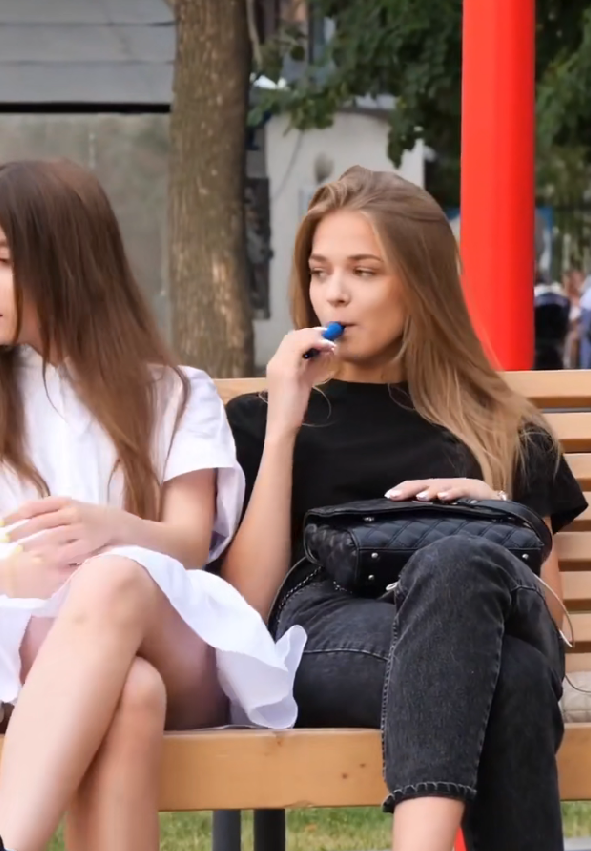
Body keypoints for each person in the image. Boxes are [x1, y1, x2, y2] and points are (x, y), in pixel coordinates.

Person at [0, 159, 305, 851]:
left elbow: (189, 541)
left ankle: (6, 843)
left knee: (112, 578)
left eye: (4, 260)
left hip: (179, 649)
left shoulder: (173, 392)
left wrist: (114, 530)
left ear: (71, 264)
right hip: (27, 658)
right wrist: (19, 577)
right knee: (129, 692)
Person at [218, 166, 587, 851]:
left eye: (364, 271)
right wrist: (284, 426)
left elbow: (549, 615)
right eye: (320, 270)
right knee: (510, 677)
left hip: (486, 621)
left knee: (467, 578)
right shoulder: (263, 419)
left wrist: (498, 515)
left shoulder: (503, 429)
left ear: (420, 283)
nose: (334, 291)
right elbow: (246, 608)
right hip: (326, 632)